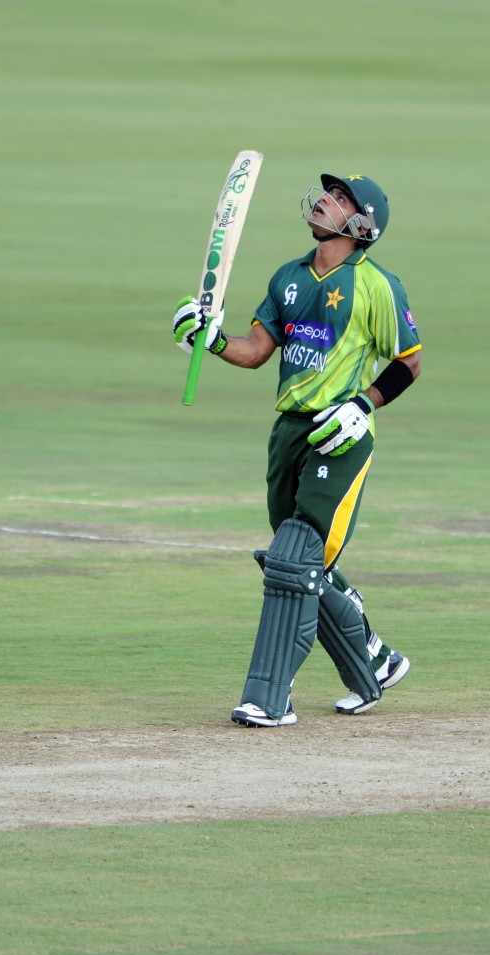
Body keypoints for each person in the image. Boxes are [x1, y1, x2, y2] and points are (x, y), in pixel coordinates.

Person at [173, 172, 421, 726]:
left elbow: (409, 362)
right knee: (301, 559)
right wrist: (210, 339)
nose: (325, 200)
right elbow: (256, 350)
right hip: (288, 432)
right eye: (327, 193)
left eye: (339, 198)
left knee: (294, 557)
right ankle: (374, 661)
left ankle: (269, 697)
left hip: (340, 433)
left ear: (362, 224)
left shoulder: (377, 285)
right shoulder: (289, 276)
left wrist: (364, 405)